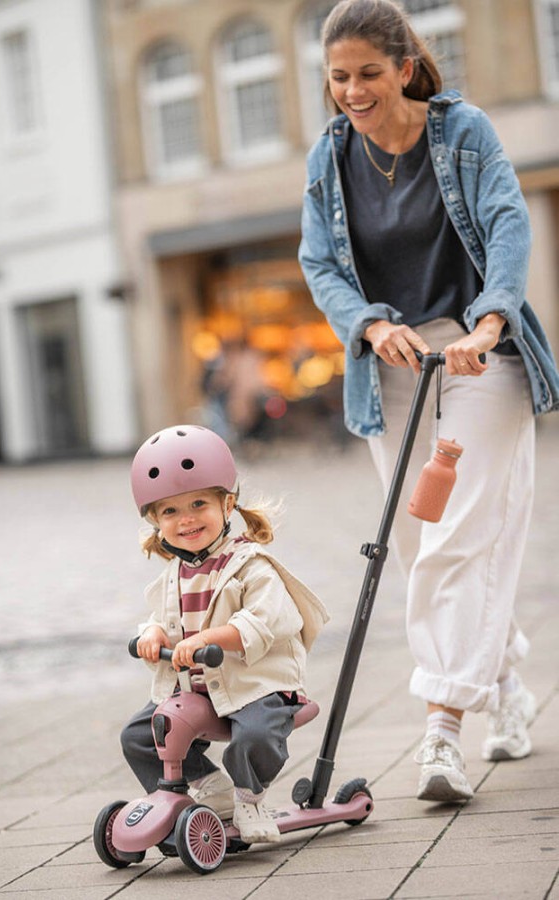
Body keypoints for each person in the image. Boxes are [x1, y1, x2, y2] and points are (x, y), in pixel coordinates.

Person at [299, 0, 559, 804]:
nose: (353, 91)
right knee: (421, 547)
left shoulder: (463, 131)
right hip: (394, 364)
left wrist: (491, 321)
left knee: (459, 538)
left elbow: (507, 225)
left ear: (405, 68)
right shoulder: (330, 156)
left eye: (369, 74)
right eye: (339, 77)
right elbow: (320, 264)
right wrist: (371, 326)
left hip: (481, 358)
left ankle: (441, 733)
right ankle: (504, 682)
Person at [121, 424, 329, 842]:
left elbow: (264, 621)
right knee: (139, 736)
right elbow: (163, 618)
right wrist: (153, 634)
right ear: (156, 520)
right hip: (200, 690)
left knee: (254, 735)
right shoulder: (174, 574)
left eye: (198, 503)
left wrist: (209, 638)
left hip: (257, 686)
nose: (186, 519)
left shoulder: (251, 565)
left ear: (228, 503)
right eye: (170, 511)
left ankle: (250, 798)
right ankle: (210, 786)